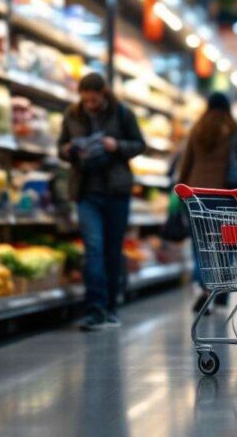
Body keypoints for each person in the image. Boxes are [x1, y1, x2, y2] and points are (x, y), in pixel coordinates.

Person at [58, 73, 145, 331]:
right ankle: (95, 309)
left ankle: (111, 307)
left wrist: (115, 145)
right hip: (86, 192)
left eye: (94, 101)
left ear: (104, 94)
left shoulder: (122, 113)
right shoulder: (72, 114)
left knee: (111, 250)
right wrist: (70, 150)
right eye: (86, 101)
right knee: (93, 248)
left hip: (116, 191)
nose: (90, 105)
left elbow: (139, 144)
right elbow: (60, 147)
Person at [178, 92, 237, 313]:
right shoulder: (233, 130)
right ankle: (221, 291)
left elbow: (186, 161)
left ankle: (204, 284)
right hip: (226, 196)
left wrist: (181, 187)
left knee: (200, 245)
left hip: (196, 195)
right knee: (228, 245)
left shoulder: (198, 129)